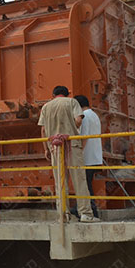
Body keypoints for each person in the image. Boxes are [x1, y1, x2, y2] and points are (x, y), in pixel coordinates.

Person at [38, 85, 99, 223]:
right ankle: (85, 213)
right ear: (66, 94)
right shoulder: (72, 102)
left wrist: (46, 149)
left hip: (55, 147)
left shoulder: (46, 107)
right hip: (72, 144)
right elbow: (78, 120)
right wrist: (72, 127)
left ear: (53, 95)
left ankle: (63, 215)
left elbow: (43, 130)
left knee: (60, 182)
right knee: (79, 180)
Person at [74, 95, 102, 218]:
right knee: (87, 184)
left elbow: (84, 137)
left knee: (85, 185)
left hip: (87, 157)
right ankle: (87, 210)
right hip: (95, 155)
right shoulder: (94, 115)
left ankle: (91, 211)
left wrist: (79, 153)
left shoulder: (84, 116)